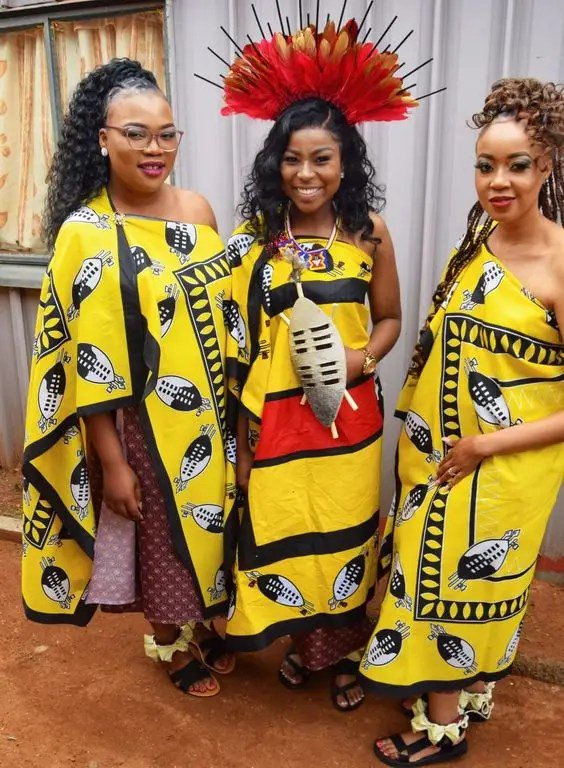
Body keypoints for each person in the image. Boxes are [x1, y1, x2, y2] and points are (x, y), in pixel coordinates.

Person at [213, 15, 422, 711]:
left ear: (347, 164)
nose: (306, 173)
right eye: (293, 158)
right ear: (276, 162)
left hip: (348, 419)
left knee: (344, 531)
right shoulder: (255, 238)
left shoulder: (369, 233)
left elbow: (392, 317)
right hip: (272, 421)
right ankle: (300, 645)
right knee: (281, 527)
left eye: (323, 159)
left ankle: (339, 656)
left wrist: (363, 359)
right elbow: (233, 338)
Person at [364, 78, 564, 765]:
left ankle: (439, 730)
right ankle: (465, 684)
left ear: (547, 167)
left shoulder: (560, 261)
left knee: (460, 579)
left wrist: (484, 444)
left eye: (517, 165)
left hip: (505, 465)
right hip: (446, 455)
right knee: (434, 565)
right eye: (485, 164)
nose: (498, 180)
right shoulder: (480, 242)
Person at [22, 58, 235, 698]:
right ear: (103, 138)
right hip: (138, 421)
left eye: (167, 133)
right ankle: (171, 642)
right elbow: (84, 361)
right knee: (164, 535)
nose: (154, 148)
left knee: (214, 524)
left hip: (211, 412)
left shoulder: (197, 211)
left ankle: (207, 622)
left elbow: (223, 316)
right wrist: (110, 461)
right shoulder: (84, 233)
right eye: (136, 133)